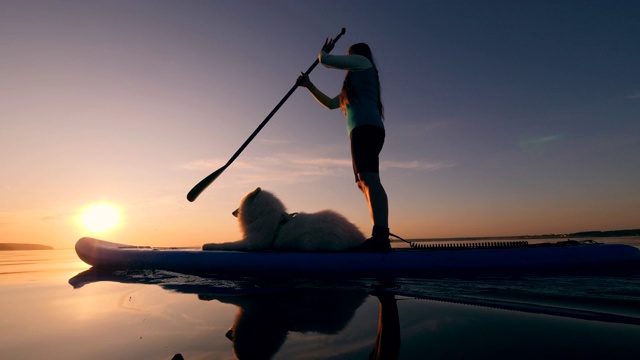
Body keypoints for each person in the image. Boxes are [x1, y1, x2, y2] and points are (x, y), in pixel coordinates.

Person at [297, 38, 390, 252]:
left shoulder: (363, 63)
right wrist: (309, 86)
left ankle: (381, 237)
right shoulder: (353, 85)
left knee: (370, 180)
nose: (348, 59)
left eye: (350, 55)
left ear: (358, 54)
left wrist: (325, 51)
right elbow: (331, 104)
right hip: (359, 132)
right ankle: (379, 236)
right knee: (363, 182)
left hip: (367, 129)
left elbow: (325, 60)